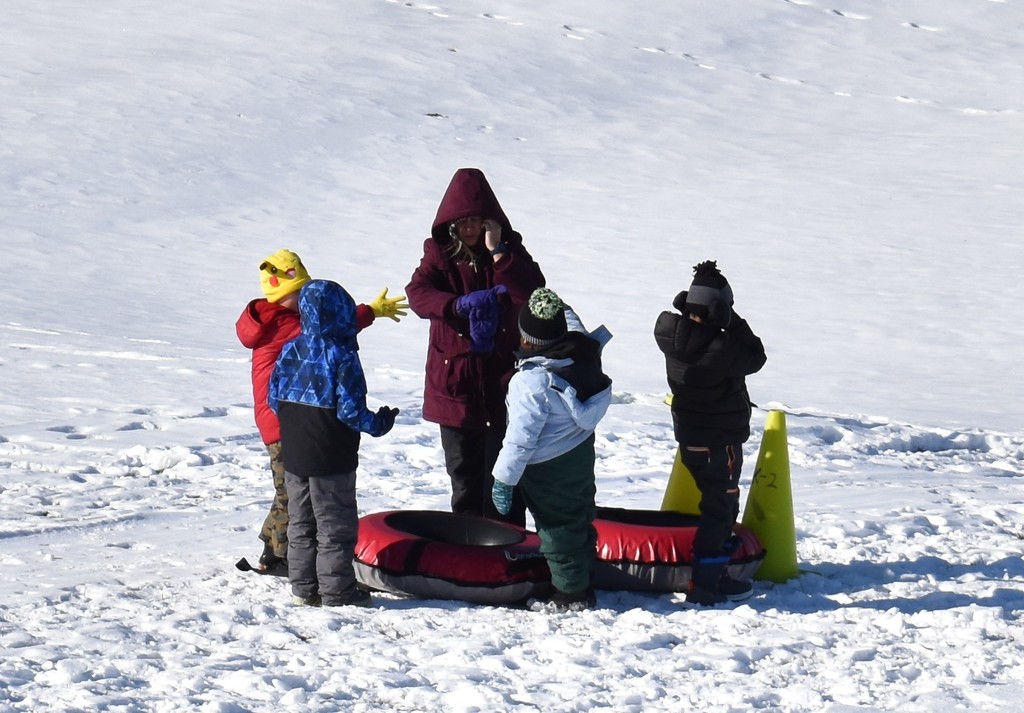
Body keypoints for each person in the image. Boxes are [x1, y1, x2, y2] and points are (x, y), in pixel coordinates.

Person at [235, 249, 406, 574]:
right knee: (293, 494)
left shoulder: (276, 319)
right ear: (279, 296)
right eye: (297, 293)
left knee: (287, 489)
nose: (304, 299)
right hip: (290, 419)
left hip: (284, 414)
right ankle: (284, 556)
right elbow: (331, 328)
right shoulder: (284, 326)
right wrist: (369, 311)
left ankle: (272, 548)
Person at [406, 168, 546, 526]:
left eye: (477, 221)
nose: (470, 229)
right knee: (465, 476)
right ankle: (468, 553)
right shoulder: (438, 254)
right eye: (463, 222)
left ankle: (509, 547)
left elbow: (531, 291)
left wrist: (499, 253)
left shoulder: (509, 250)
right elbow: (418, 295)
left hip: (501, 382)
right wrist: (455, 306)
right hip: (454, 383)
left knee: (505, 474)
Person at [268, 279, 400, 607]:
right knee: (334, 526)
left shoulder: (289, 349)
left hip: (296, 452)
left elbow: (273, 399)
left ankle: (303, 588)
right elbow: (351, 412)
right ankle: (337, 592)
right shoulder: (342, 355)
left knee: (301, 522)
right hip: (331, 455)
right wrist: (380, 423)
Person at [491, 288, 613, 612]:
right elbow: (569, 322)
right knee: (579, 512)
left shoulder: (532, 383)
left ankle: (571, 593)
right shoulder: (582, 351)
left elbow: (520, 438)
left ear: (526, 339)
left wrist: (504, 481)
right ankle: (584, 575)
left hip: (547, 464)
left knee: (556, 526)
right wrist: (556, 306)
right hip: (579, 450)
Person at [653, 260, 767, 606]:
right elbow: (756, 357)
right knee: (720, 509)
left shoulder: (671, 335)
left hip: (690, 436)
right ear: (719, 312)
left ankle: (711, 565)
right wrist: (735, 322)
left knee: (714, 504)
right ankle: (708, 583)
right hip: (720, 441)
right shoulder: (721, 349)